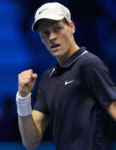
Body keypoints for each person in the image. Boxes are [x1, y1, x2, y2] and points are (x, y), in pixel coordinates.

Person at [16, 2, 116, 150]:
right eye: (45, 32)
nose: (52, 37)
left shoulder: (90, 65)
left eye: (58, 29)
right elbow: (31, 141)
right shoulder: (47, 79)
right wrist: (22, 98)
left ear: (71, 28)